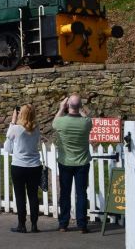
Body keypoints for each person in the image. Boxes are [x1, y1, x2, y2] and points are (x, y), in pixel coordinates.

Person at [52, 94, 93, 234]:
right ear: (80, 106)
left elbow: (54, 122)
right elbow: (86, 117)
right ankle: (82, 224)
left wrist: (61, 108)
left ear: (68, 105)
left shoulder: (60, 122)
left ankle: (63, 223)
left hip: (65, 162)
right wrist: (79, 107)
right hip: (82, 162)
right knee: (81, 193)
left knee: (65, 193)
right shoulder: (87, 122)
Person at [5, 104, 43, 234]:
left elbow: (7, 145)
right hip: (34, 166)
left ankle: (22, 224)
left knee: (20, 196)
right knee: (33, 196)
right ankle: (34, 225)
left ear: (22, 114)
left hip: (19, 166)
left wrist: (13, 120)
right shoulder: (37, 129)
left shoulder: (16, 129)